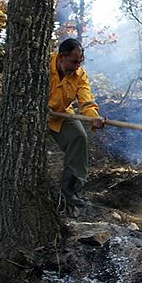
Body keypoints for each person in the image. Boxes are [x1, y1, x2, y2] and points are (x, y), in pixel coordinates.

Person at [48, 38, 105, 210]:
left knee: (78, 137)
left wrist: (93, 117)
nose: (76, 67)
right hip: (32, 116)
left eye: (80, 62)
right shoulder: (41, 65)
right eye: (74, 62)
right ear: (61, 57)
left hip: (60, 114)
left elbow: (86, 100)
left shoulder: (79, 75)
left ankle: (68, 192)